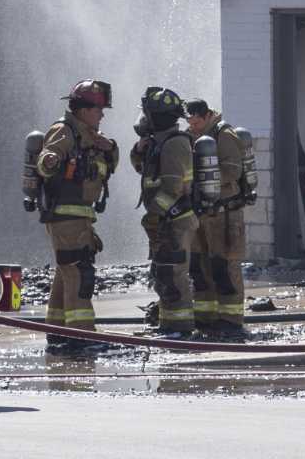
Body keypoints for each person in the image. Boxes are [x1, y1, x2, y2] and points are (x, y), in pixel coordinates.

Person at [35, 79, 117, 354]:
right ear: (83, 109)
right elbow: (47, 160)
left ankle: (57, 332)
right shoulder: (65, 131)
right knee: (79, 274)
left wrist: (109, 148)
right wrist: (50, 160)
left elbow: (108, 166)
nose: (102, 114)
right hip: (65, 215)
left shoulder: (90, 135)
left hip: (78, 217)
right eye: (98, 109)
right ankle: (81, 336)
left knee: (66, 273)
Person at [129, 86, 197, 337]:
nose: (144, 118)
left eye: (148, 113)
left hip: (174, 221)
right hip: (166, 221)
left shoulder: (174, 144)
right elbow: (143, 170)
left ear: (157, 116)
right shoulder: (160, 143)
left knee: (173, 275)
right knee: (164, 274)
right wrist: (139, 149)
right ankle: (169, 325)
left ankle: (179, 328)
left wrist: (154, 215)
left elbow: (173, 188)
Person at [186, 99, 256, 339]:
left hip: (225, 213)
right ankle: (206, 317)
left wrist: (207, 178)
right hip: (202, 213)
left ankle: (231, 318)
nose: (193, 126)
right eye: (190, 122)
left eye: (196, 122)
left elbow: (233, 170)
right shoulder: (192, 136)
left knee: (225, 264)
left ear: (206, 116)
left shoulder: (224, 135)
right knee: (201, 265)